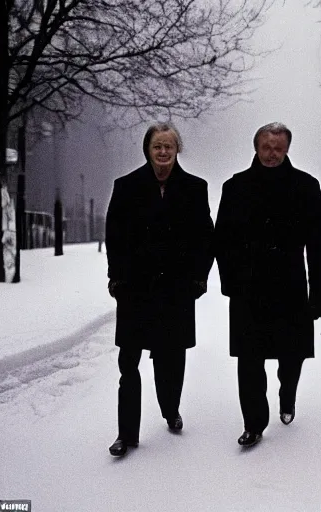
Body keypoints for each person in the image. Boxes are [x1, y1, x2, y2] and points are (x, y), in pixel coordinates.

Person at [215, 122, 321, 447]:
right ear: (256, 147)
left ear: (288, 148)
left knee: (290, 355)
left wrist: (320, 294)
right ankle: (253, 423)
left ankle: (287, 394)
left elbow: (318, 245)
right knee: (249, 359)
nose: (272, 153)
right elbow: (222, 241)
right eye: (266, 147)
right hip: (248, 288)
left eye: (278, 148)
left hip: (291, 286)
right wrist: (231, 283)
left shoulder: (307, 187)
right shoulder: (235, 187)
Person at [105, 122, 214, 457]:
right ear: (147, 150)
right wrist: (118, 277)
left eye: (169, 146)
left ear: (177, 149)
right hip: (136, 289)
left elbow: (205, 238)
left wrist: (198, 278)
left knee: (171, 357)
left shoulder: (195, 188)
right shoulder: (126, 187)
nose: (163, 152)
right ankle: (126, 434)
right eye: (157, 146)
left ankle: (170, 409)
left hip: (176, 289)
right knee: (129, 362)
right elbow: (115, 236)